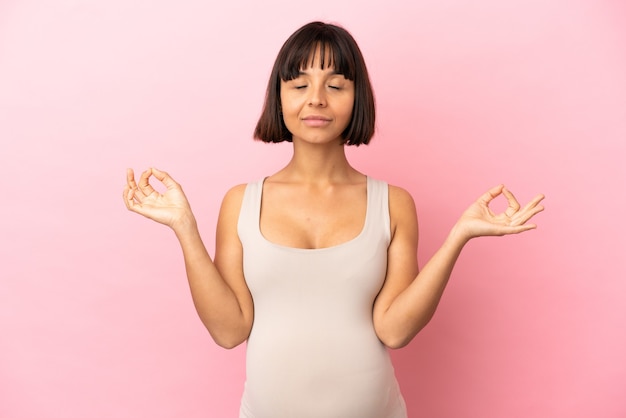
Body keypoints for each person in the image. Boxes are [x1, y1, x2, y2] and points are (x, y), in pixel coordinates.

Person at [123, 21, 544, 418]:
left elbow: (394, 330)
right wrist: (185, 228)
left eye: (336, 85)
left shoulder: (393, 204)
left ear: (357, 98)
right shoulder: (240, 203)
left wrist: (459, 237)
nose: (317, 99)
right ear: (279, 97)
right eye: (300, 84)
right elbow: (229, 330)